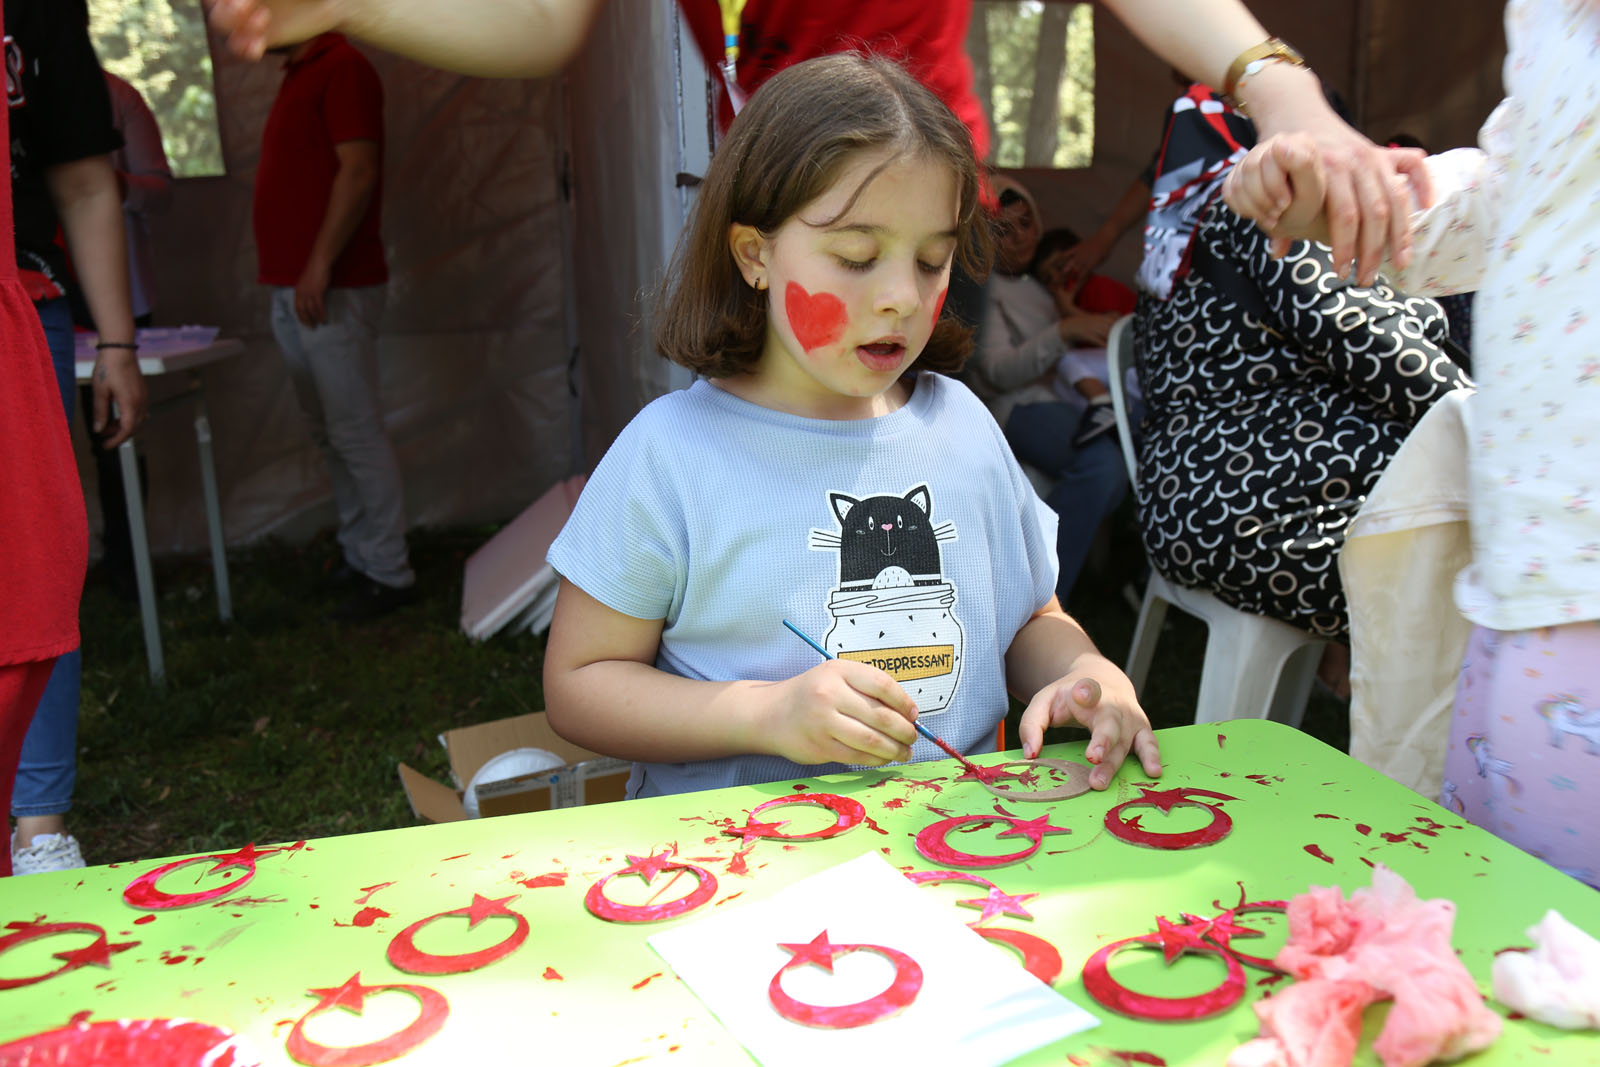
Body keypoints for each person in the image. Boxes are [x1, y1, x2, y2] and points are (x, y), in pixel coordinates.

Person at [542, 54, 1162, 800]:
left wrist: (1083, 671)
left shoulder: (962, 426)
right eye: (857, 256)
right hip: (741, 873)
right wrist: (764, 713)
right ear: (755, 253)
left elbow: (1030, 616)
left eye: (932, 261)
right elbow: (580, 683)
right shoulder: (671, 453)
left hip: (959, 852)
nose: (902, 295)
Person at [201, 0, 1428, 288]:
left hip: (890, 211)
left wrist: (1281, 92)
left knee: (914, 532)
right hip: (774, 220)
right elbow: (547, 21)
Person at [1224, 0, 1599, 884]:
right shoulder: (1549, 20)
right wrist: (1351, 200)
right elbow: (1514, 194)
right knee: (1505, 914)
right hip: (1529, 573)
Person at [1132, 186, 1471, 640]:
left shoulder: (1188, 205)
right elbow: (1364, 334)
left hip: (1199, 497)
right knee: (1491, 528)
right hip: (1251, 508)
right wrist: (1490, 421)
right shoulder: (1275, 201)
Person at [6, 0, 146, 875]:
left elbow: (87, 179)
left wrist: (119, 343)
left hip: (24, 300)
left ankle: (39, 826)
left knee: (37, 561)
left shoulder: (39, 6)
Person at [254, 32, 416, 620]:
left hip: (331, 288)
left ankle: (389, 571)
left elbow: (358, 169)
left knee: (353, 431)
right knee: (331, 432)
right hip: (298, 286)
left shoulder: (342, 67)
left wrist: (318, 265)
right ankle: (363, 553)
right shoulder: (301, 72)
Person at [966, 176, 1128, 606]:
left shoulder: (1039, 285)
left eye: (1027, 224)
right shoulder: (982, 289)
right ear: (983, 233)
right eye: (1005, 227)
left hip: (1063, 403)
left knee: (1118, 459)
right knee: (1103, 464)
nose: (1020, 237)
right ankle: (1044, 601)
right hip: (1014, 407)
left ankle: (1039, 582)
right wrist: (1064, 331)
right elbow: (996, 372)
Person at [73, 70, 174, 601]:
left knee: (115, 438)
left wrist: (113, 187)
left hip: (115, 304)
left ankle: (126, 562)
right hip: (37, 296)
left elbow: (160, 189)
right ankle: (53, 576)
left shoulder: (117, 95)